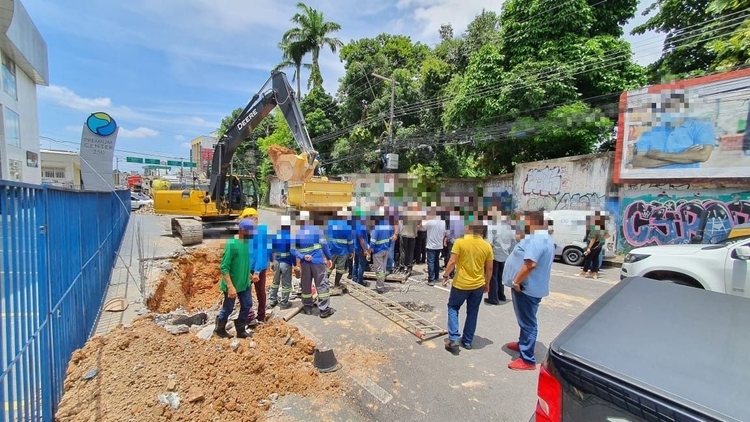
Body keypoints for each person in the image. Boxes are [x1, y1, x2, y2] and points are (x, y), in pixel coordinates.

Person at [502, 210, 555, 370]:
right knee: (526, 320)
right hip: (531, 286)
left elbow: (531, 264)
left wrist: (517, 281)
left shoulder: (537, 239)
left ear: (532, 221)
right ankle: (522, 343)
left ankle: (527, 359)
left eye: (524, 221)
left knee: (528, 322)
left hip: (526, 288)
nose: (521, 224)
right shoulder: (540, 236)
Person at [441, 222, 494, 354]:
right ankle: (467, 340)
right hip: (477, 285)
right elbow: (489, 268)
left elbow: (452, 261)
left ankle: (453, 337)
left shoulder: (460, 242)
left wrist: (445, 275)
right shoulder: (487, 246)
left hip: (461, 284)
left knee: (453, 307)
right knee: (473, 312)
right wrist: (487, 283)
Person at [631, 91, 716, 169]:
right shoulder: (652, 131)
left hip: (688, 181)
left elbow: (702, 155)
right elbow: (637, 161)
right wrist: (684, 156)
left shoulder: (702, 127)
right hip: (655, 182)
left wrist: (660, 155)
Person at [214, 219, 255, 339]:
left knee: (247, 305)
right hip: (232, 285)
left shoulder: (247, 243)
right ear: (242, 230)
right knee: (228, 308)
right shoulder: (232, 244)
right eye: (250, 231)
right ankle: (219, 330)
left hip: (244, 283)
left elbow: (243, 261)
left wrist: (248, 274)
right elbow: (224, 267)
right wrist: (230, 287)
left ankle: (240, 330)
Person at [292, 215, 335, 318]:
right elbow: (324, 245)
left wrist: (302, 256)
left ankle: (307, 307)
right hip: (318, 262)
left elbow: (292, 250)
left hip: (305, 263)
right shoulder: (316, 231)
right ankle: (324, 310)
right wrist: (329, 258)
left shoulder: (298, 234)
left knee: (306, 284)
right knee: (322, 284)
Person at [239, 207, 268, 324]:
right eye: (246, 218)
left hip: (258, 267)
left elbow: (262, 253)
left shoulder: (261, 231)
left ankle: (261, 315)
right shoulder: (245, 231)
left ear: (256, 219)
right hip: (247, 267)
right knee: (245, 290)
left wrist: (257, 271)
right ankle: (249, 315)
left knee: (260, 291)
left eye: (251, 218)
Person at [486, 210, 516, 304]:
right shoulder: (509, 228)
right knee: (500, 276)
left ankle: (493, 298)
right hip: (505, 255)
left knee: (493, 277)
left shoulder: (492, 226)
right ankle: (501, 295)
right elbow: (513, 243)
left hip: (494, 255)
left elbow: (489, 242)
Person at [268, 216, 294, 310]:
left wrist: (271, 261)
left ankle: (272, 300)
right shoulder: (290, 237)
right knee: (286, 284)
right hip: (286, 263)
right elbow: (293, 252)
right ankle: (284, 303)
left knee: (275, 282)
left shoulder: (275, 236)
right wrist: (295, 264)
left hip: (276, 262)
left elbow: (270, 250)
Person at [326, 211, 354, 294]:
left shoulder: (330, 224)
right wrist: (351, 251)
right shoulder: (347, 227)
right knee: (340, 269)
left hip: (331, 249)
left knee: (329, 267)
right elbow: (350, 241)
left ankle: (324, 284)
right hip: (342, 251)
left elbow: (326, 237)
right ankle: (336, 284)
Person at [369, 215, 394, 294]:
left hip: (377, 251)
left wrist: (369, 251)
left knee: (379, 270)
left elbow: (373, 241)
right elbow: (390, 239)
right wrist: (388, 247)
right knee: (383, 268)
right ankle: (381, 284)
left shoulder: (376, 228)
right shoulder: (389, 226)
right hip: (385, 250)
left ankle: (380, 287)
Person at [423, 210, 446, 286]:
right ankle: (436, 276)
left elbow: (421, 226)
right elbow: (444, 233)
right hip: (439, 245)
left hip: (431, 245)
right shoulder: (443, 223)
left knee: (431, 262)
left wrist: (425, 218)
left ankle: (431, 279)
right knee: (436, 261)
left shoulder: (430, 222)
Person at [579, 215, 604, 279]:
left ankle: (584, 272)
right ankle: (594, 272)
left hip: (594, 245)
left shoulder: (594, 229)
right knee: (595, 259)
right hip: (599, 245)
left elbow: (593, 239)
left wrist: (589, 248)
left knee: (588, 259)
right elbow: (606, 235)